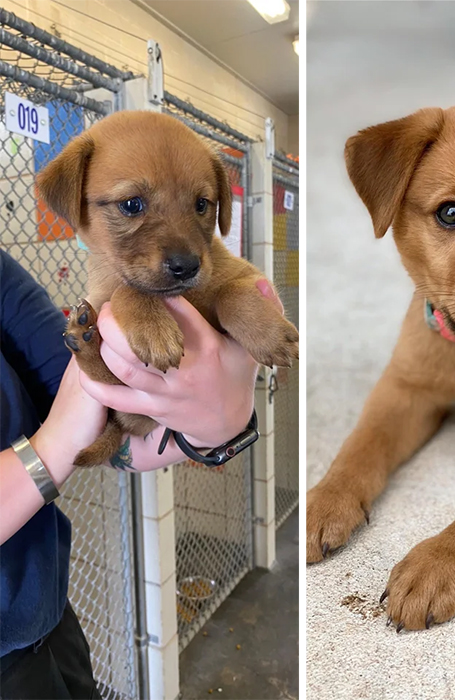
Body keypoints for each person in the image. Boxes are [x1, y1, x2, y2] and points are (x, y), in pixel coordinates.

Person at [0, 250, 279, 698]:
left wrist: (214, 429)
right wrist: (52, 446)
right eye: (130, 206)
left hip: (48, 613)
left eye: (201, 205)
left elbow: (94, 410)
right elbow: (70, 428)